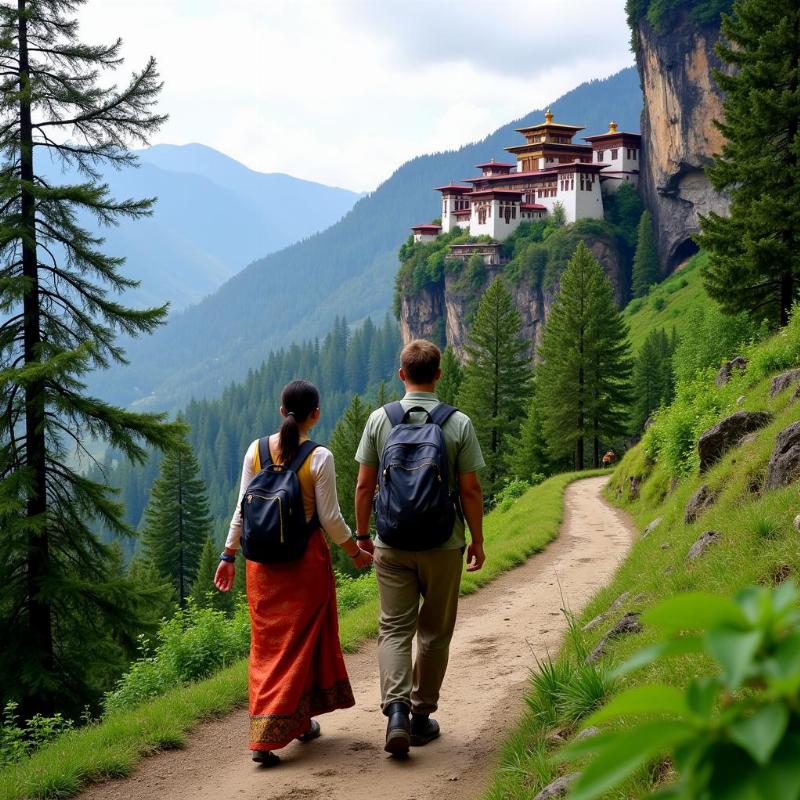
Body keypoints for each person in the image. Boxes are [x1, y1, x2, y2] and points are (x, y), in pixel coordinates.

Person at [215, 380, 372, 766]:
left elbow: (242, 509)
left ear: (279, 409)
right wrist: (355, 551)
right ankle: (266, 737)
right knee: (300, 646)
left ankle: (298, 722)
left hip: (261, 569)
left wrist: (228, 554)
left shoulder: (255, 450)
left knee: (269, 648)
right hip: (304, 566)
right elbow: (331, 520)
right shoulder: (319, 457)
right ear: (315, 414)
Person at [354, 339, 486, 756]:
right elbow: (470, 490)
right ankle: (420, 716)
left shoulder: (380, 420)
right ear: (439, 375)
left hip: (391, 542)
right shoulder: (458, 422)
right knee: (434, 631)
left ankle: (394, 711)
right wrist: (478, 540)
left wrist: (361, 536)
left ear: (402, 375)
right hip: (443, 543)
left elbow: (362, 485)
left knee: (394, 627)